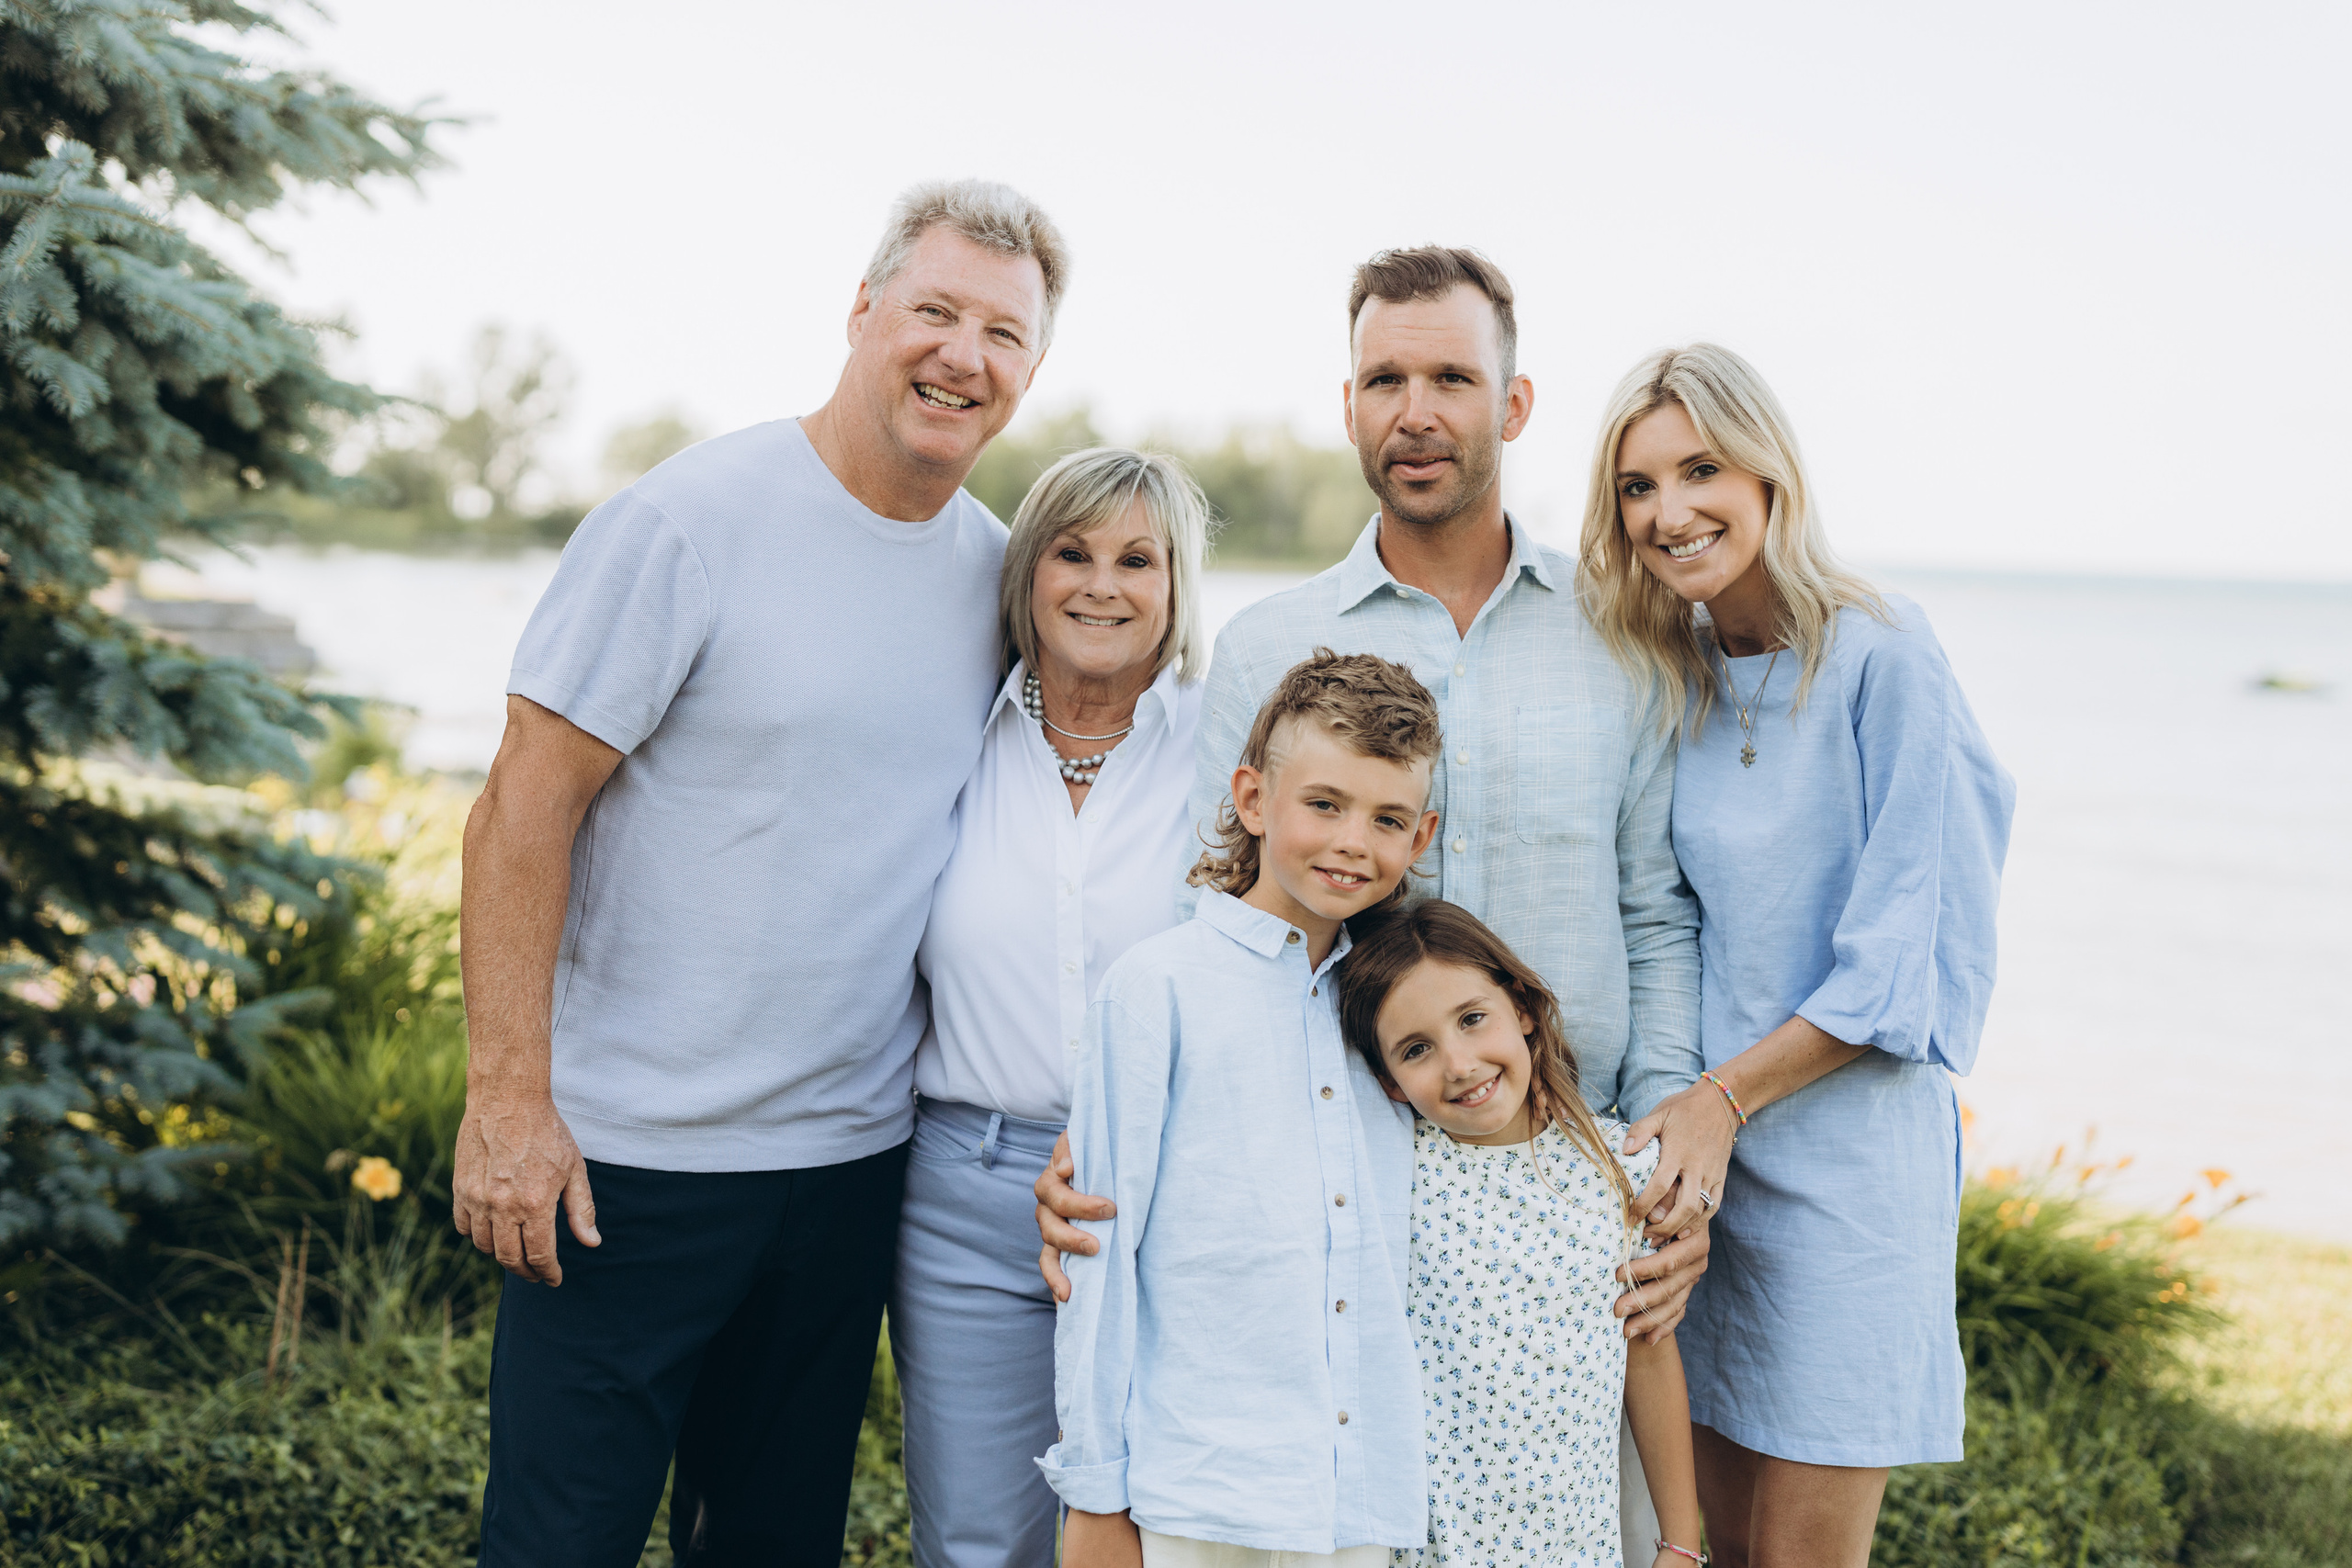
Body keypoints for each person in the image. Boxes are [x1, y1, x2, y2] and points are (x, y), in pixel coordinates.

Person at [1037, 246, 1709, 1564]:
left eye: (1452, 378)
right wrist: (1108, 1133)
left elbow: (1656, 911)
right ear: (1347, 405)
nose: (1417, 412)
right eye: (1385, 380)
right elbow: (1213, 910)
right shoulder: (1267, 645)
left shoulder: (1623, 631)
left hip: (1572, 1201)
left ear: (1513, 404)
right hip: (1354, 1199)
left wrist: (1665, 1160)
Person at [452, 178, 1066, 1566]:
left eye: (1004, 333)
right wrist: (509, 1100)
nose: (963, 355)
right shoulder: (689, 522)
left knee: (771, 1544)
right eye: (935, 310)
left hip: (849, 1170)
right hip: (625, 1166)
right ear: (861, 311)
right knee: (558, 1541)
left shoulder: (997, 578)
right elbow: (519, 809)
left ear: (1032, 371)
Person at [1585, 344, 2014, 1567]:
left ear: (1768, 473)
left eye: (1700, 470)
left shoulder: (1887, 652)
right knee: (1708, 1547)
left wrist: (1722, 1098)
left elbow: (1899, 963)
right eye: (1636, 486)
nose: (1668, 512)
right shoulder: (1676, 672)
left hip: (1843, 1173)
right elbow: (1662, 918)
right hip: (1705, 1176)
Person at [1043, 650, 1444, 1568]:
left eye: (1387, 819)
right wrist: (1095, 1493)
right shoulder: (1157, 989)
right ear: (1253, 800)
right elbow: (1100, 1258)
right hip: (1198, 1493)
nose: (1354, 842)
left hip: (1357, 1502)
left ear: (1420, 838)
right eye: (1324, 804)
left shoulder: (1400, 1011)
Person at [894, 446, 1212, 1568]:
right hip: (967, 1194)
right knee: (976, 1537)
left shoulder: (1223, 747)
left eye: (1138, 560)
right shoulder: (950, 734)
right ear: (1026, 569)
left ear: (1176, 586)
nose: (1101, 586)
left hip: (1172, 1189)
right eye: (1072, 554)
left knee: (1166, 1530)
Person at [1336, 899, 1706, 1568]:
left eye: (1472, 1019)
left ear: (1523, 1008)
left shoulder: (1619, 1168)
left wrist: (1680, 1542)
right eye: (1416, 1049)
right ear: (1389, 1081)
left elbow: (1649, 1352)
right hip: (1431, 1550)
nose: (1459, 1063)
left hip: (1575, 1546)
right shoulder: (1392, 1172)